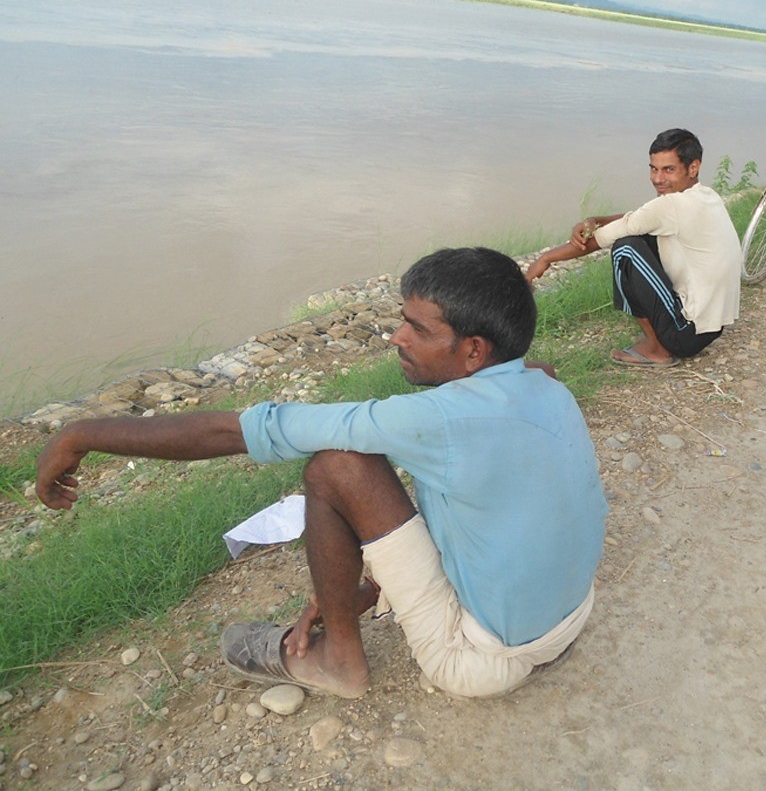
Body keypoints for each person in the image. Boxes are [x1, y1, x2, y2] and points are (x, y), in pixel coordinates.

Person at [36, 247, 608, 700]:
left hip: (484, 661)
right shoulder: (541, 383)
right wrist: (371, 588)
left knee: (337, 466)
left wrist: (80, 434)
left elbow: (236, 432)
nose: (395, 338)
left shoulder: (434, 419)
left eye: (417, 330)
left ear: (474, 351)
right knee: (432, 482)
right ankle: (365, 616)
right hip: (567, 621)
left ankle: (339, 663)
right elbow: (495, 505)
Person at [525, 128, 740, 368]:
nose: (658, 178)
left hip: (686, 335)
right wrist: (596, 219)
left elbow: (597, 241)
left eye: (668, 169)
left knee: (625, 249)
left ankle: (658, 349)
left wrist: (544, 260)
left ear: (693, 167)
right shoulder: (704, 195)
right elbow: (639, 218)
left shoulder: (671, 206)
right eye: (653, 168)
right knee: (640, 234)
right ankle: (663, 334)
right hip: (711, 327)